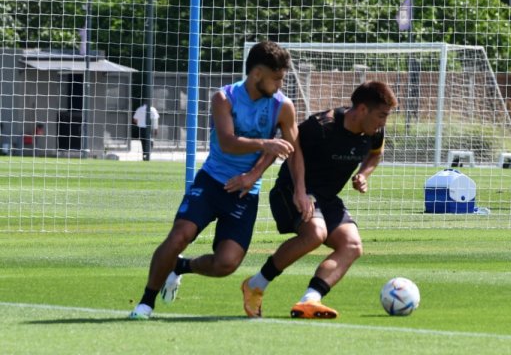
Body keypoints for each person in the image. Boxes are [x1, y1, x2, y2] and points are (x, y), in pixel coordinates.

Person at [129, 41, 312, 320]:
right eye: (276, 78)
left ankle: (180, 267)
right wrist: (266, 144)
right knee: (180, 236)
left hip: (244, 193)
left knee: (227, 264)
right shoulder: (224, 98)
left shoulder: (283, 107)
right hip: (212, 182)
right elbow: (227, 143)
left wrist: (299, 190)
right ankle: (146, 303)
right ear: (257, 74)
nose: (280, 84)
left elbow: (294, 149)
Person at [241, 80, 398, 319]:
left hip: (327, 198)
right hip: (291, 190)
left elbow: (376, 155)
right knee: (315, 233)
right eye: (381, 115)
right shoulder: (321, 126)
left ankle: (310, 300)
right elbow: (291, 148)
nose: (383, 122)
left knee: (352, 245)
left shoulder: (374, 133)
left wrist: (363, 174)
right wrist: (300, 191)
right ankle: (256, 284)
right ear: (363, 109)